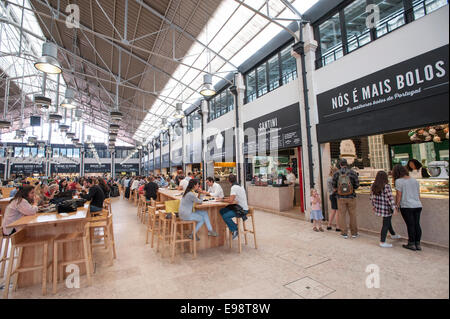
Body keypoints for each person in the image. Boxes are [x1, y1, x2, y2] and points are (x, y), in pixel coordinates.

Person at [393, 164, 423, 251]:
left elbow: (399, 195)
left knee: (410, 225)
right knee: (417, 224)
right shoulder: (414, 180)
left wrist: (397, 206)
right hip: (417, 205)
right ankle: (418, 244)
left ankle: (411, 243)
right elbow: (418, 193)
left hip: (406, 206)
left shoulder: (398, 181)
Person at [370, 171, 402, 248]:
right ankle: (382, 241)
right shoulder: (386, 186)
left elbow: (371, 197)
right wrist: (394, 208)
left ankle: (393, 234)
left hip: (379, 207)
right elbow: (390, 198)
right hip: (386, 208)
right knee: (386, 224)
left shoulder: (373, 186)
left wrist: (374, 206)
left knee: (387, 221)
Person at [332, 158, 360, 239]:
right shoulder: (353, 172)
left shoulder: (336, 173)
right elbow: (357, 185)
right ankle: (354, 233)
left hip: (340, 197)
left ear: (340, 164)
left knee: (342, 215)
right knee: (353, 215)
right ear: (347, 164)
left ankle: (344, 233)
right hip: (351, 197)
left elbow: (334, 185)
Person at [219, 174, 249, 240]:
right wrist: (224, 198)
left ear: (229, 181)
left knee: (225, 216)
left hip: (241, 210)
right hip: (241, 207)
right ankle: (233, 225)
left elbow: (230, 200)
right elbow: (233, 198)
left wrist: (221, 200)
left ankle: (235, 229)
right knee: (222, 210)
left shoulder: (234, 187)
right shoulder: (240, 186)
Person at [326, 167, 340, 231]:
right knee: (337, 211)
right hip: (335, 195)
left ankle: (329, 225)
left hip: (331, 195)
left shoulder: (328, 178)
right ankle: (337, 226)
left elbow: (330, 190)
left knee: (333, 211)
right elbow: (334, 189)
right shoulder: (333, 179)